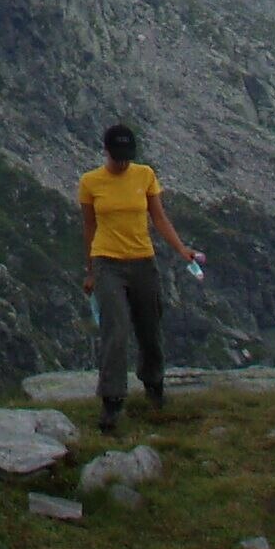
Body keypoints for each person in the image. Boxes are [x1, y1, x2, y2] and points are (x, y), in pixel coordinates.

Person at [78, 122, 203, 431]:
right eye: (117, 156)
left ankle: (153, 384)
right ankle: (112, 401)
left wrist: (181, 249)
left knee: (149, 327)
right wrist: (91, 271)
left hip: (143, 261)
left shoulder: (145, 175)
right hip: (108, 263)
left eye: (126, 156)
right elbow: (89, 228)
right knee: (116, 329)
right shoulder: (90, 182)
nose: (122, 162)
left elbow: (158, 217)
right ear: (106, 152)